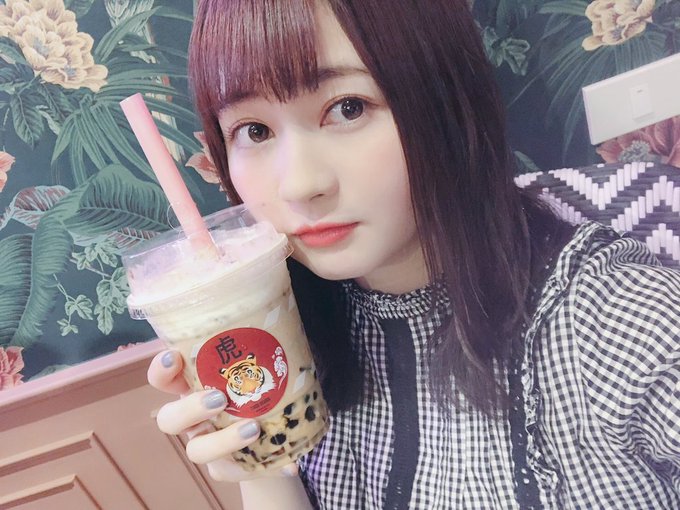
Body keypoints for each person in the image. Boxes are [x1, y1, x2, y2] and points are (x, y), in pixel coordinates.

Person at [146, 0, 680, 508]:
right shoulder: (293, 339)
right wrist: (261, 460)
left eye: (347, 108)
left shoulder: (618, 323)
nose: (300, 185)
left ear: (446, 100)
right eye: (254, 130)